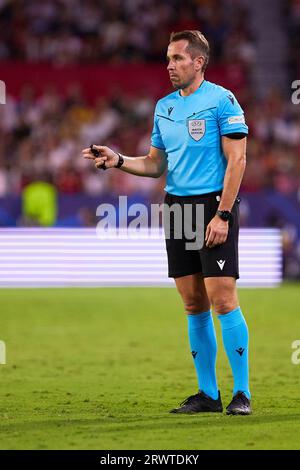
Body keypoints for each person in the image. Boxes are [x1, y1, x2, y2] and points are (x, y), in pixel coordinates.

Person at [82, 30, 251, 415]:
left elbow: (238, 160)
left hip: (212, 205)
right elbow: (157, 163)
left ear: (198, 62)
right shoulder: (164, 107)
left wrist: (223, 214)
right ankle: (208, 395)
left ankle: (242, 393)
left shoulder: (223, 101)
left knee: (223, 298)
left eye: (177, 58)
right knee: (193, 303)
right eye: (168, 59)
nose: (170, 66)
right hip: (177, 207)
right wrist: (119, 160)